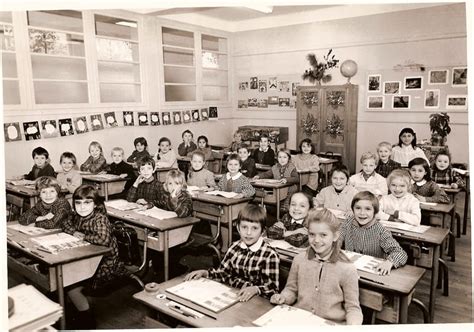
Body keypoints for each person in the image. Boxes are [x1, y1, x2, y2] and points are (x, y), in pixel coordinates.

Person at [270, 208, 363, 325]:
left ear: (335, 236)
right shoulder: (299, 259)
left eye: (323, 235)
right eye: (312, 234)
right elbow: (291, 290)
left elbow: (353, 308)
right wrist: (283, 297)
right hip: (300, 321)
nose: (317, 240)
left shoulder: (347, 269)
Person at [185, 204, 280, 301]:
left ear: (262, 231)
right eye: (244, 227)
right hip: (234, 296)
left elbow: (272, 289)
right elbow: (223, 273)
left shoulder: (269, 255)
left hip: (256, 301)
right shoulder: (234, 247)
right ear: (238, 228)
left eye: (254, 228)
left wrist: (256, 289)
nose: (248, 232)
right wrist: (205, 273)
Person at [62, 185, 126, 329]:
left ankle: (87, 320)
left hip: (105, 265)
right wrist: (74, 232)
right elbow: (65, 223)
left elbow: (103, 240)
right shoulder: (76, 215)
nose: (82, 207)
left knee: (69, 284)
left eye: (87, 202)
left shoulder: (100, 218)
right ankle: (71, 310)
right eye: (78, 203)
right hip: (87, 259)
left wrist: (83, 236)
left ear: (95, 204)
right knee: (60, 276)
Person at [340, 191, 408, 275]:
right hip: (350, 270)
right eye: (358, 208)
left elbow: (400, 253)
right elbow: (337, 239)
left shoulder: (380, 230)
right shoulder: (348, 223)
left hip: (372, 272)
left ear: (375, 212)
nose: (362, 213)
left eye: (367, 209)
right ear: (352, 209)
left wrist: (390, 262)